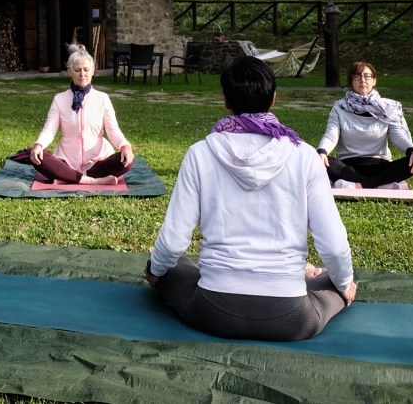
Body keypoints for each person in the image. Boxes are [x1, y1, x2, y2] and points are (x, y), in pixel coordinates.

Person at [146, 56, 356, 341]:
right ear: (274, 99)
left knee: (169, 266)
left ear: (225, 100)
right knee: (338, 279)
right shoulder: (305, 156)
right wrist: (344, 284)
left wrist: (155, 272)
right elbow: (334, 244)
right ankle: (316, 279)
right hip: (293, 317)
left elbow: (172, 242)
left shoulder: (200, 153)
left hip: (212, 312)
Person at [29, 43, 134, 185]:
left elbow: (112, 130)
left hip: (97, 162)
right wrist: (39, 145)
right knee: (39, 157)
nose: (82, 74)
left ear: (93, 71)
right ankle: (92, 181)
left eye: (86, 69)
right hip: (66, 161)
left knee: (127, 161)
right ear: (70, 72)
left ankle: (68, 178)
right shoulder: (59, 99)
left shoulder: (102, 98)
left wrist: (125, 147)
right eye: (77, 70)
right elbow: (49, 130)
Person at [317, 61, 413, 189]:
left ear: (374, 81)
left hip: (380, 165)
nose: (362, 80)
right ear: (351, 81)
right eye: (357, 76)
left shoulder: (388, 108)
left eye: (367, 76)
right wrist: (322, 151)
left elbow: (397, 136)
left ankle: (359, 185)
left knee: (412, 162)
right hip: (348, 167)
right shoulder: (339, 107)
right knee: (322, 161)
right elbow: (331, 135)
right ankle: (379, 184)